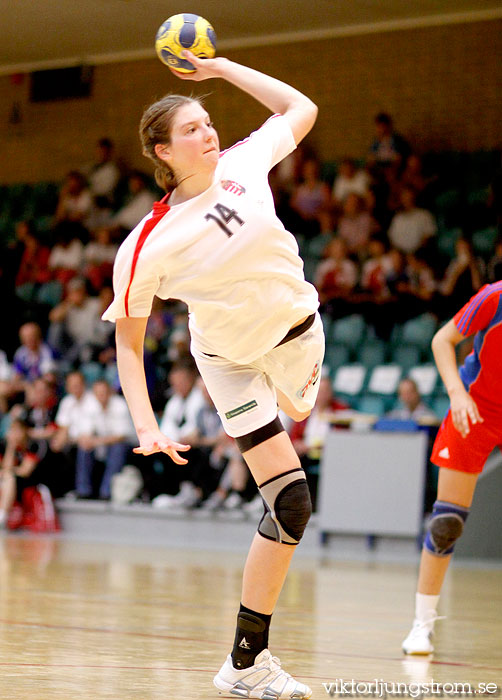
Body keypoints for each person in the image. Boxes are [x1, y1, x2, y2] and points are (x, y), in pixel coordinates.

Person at [102, 49, 323, 699]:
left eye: (208, 121)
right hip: (228, 362)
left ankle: (298, 398)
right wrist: (145, 423)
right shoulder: (147, 243)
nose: (209, 132)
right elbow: (129, 341)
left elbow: (301, 110)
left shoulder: (245, 162)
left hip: (297, 335)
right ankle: (247, 663)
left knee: (304, 410)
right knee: (291, 502)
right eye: (192, 129)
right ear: (163, 152)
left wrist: (222, 68)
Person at [401, 281, 502, 655]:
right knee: (447, 524)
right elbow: (442, 340)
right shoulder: (494, 297)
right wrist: (457, 393)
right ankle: (421, 627)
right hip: (475, 408)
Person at [75, 378, 135, 500]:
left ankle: (106, 492)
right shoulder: (90, 405)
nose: (101, 396)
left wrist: (95, 441)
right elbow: (84, 433)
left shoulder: (120, 405)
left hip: (128, 447)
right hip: (102, 445)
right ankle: (83, 491)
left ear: (110, 392)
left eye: (103, 392)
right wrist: (87, 441)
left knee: (117, 449)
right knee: (84, 448)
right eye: (98, 393)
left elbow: (121, 436)